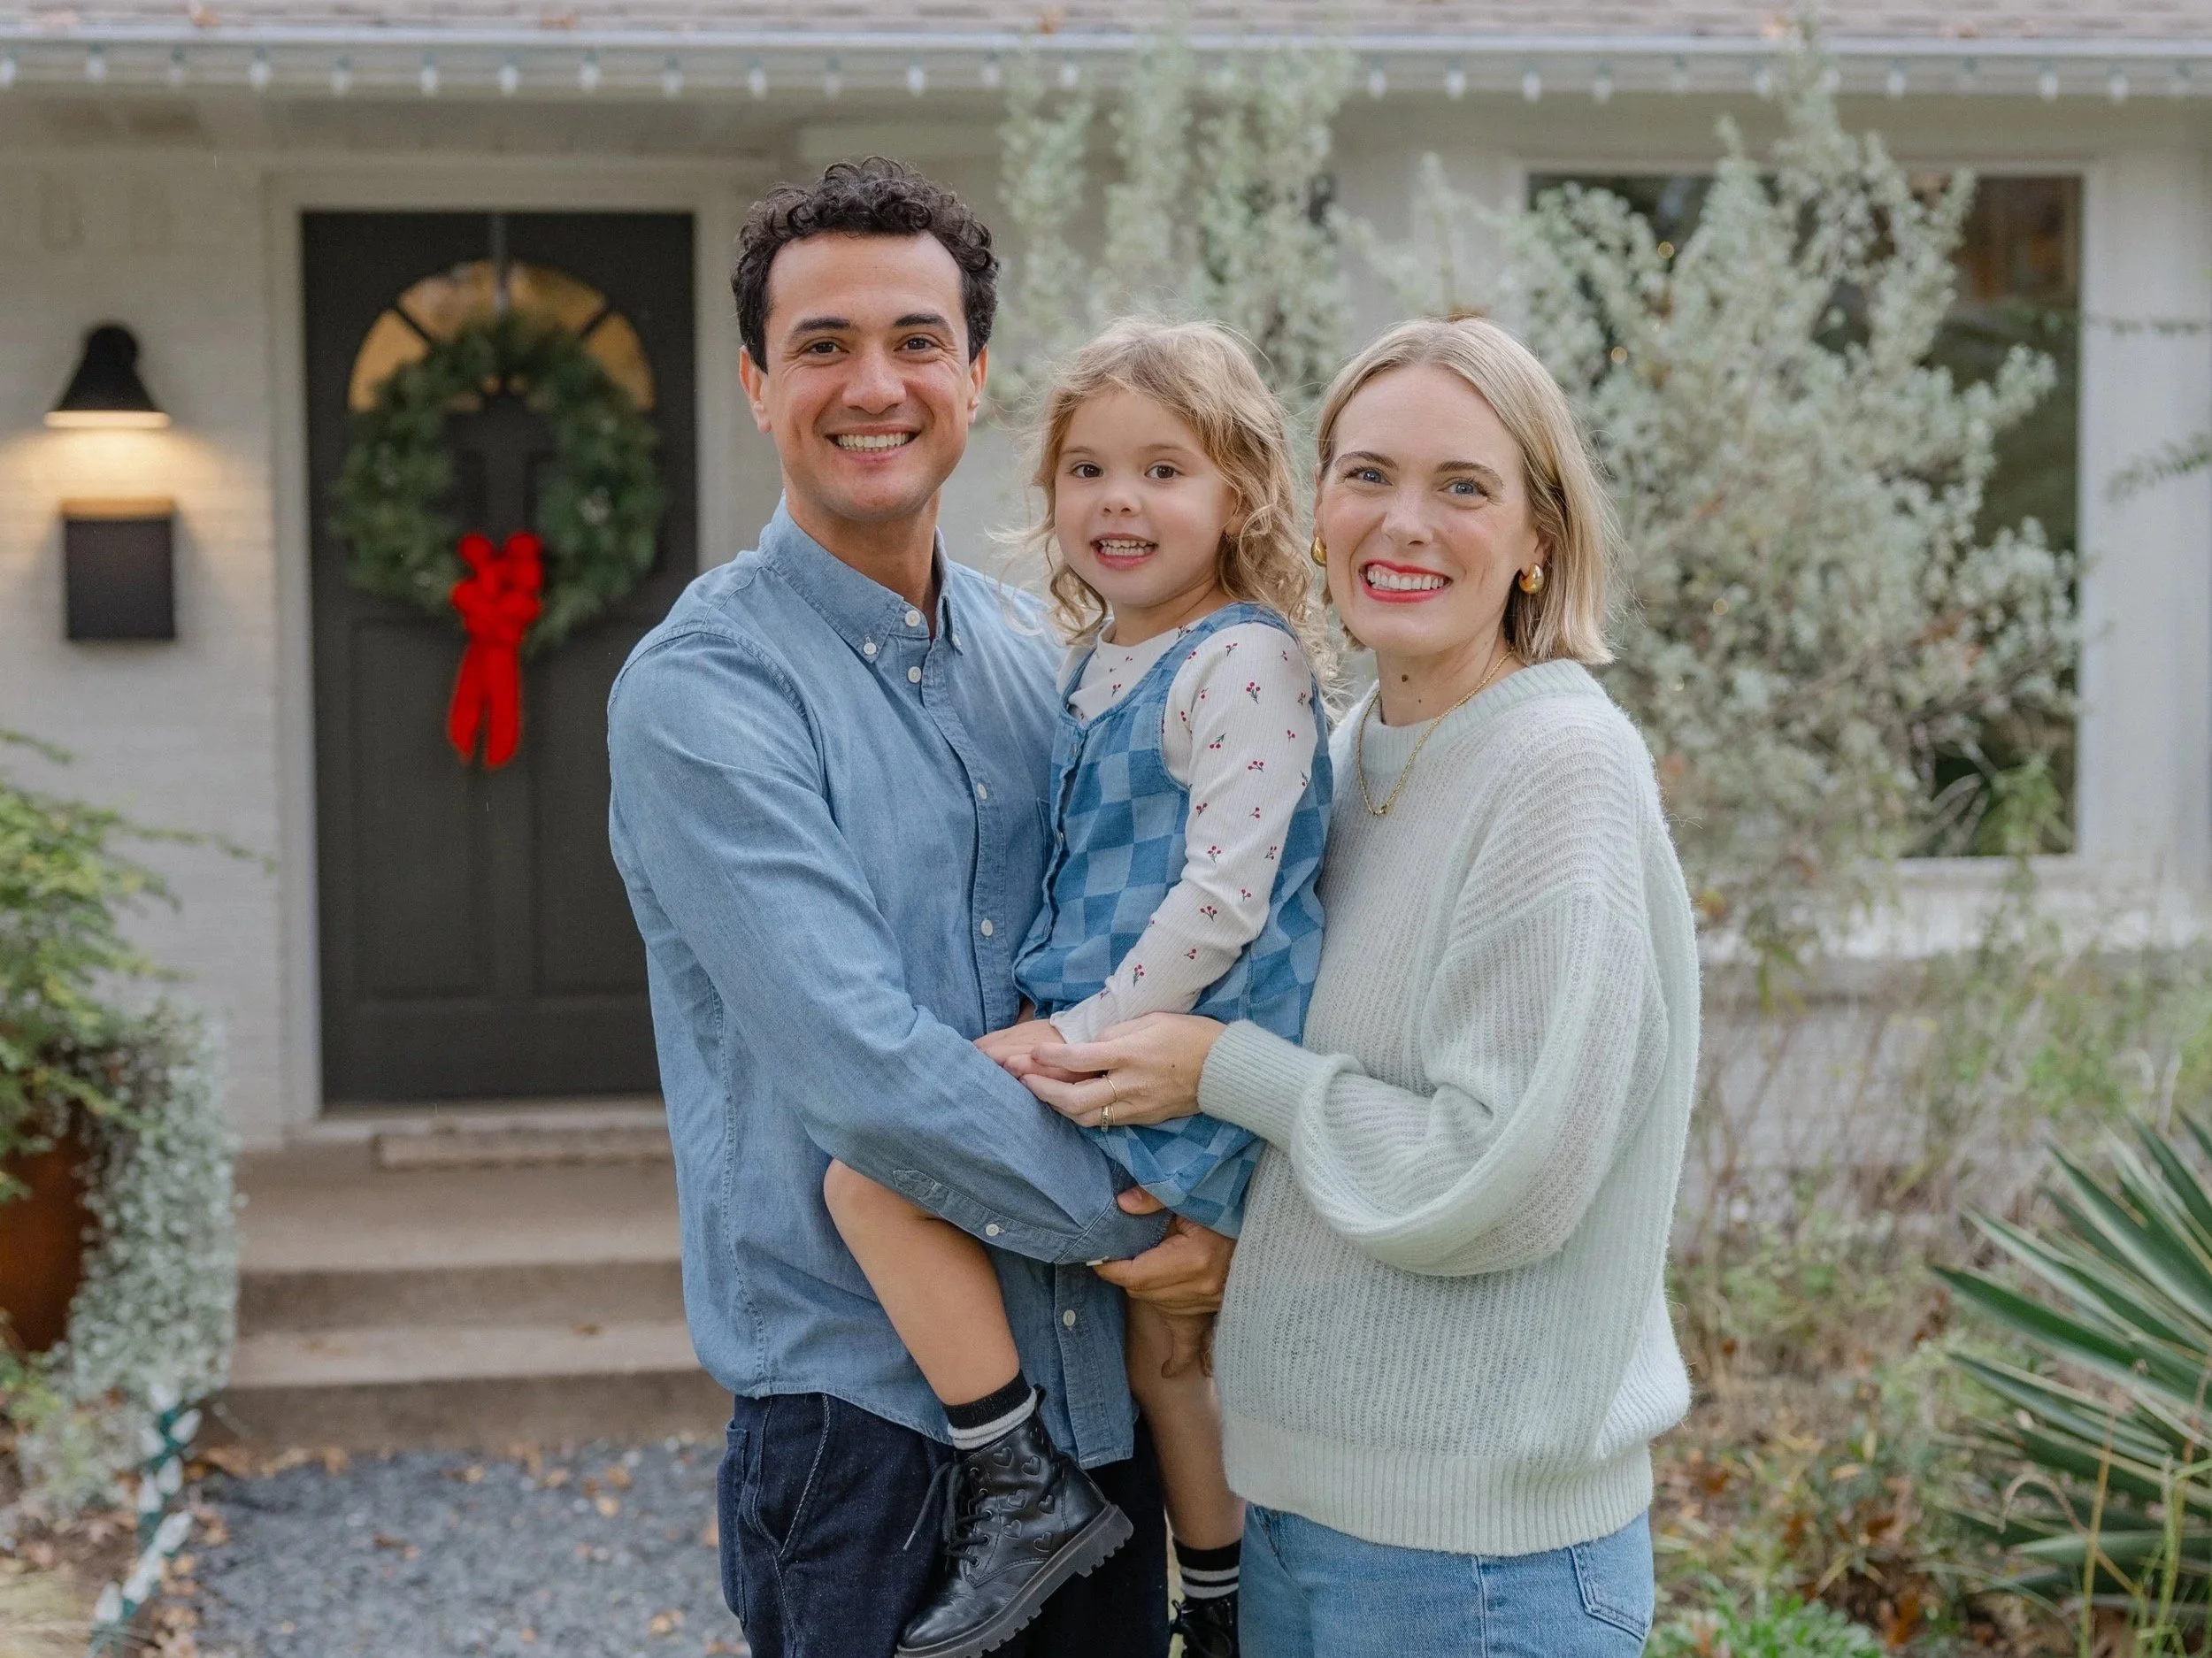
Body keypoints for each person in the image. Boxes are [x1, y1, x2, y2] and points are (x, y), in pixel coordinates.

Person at [606, 159, 1231, 1658]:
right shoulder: (706, 695)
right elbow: (865, 1074)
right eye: (822, 345)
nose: (871, 384)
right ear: (758, 384)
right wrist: (1152, 1231)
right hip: (867, 1444)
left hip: (1093, 1413)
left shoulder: (1049, 656)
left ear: (977, 377)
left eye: (915, 340)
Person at [1019, 315, 1702, 1657]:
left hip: (1477, 1566)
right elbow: (1327, 1133)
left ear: (1537, 538)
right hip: (1294, 1517)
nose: (1403, 523)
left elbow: (1496, 1174)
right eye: (1367, 473)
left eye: (1463, 487)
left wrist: (1222, 1072)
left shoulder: (1558, 768)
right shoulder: (1333, 758)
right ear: (1313, 505)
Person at [822, 319, 1333, 1658]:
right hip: (1123, 1046)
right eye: (1088, 469)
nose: (1120, 500)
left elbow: (1225, 893)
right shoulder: (1094, 662)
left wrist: (1081, 1036)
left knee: (872, 1172)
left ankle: (1020, 1482)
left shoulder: (1244, 658)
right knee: (1165, 1353)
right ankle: (1215, 1615)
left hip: (1175, 1053)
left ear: (1241, 494)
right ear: (1047, 494)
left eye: (1166, 470)